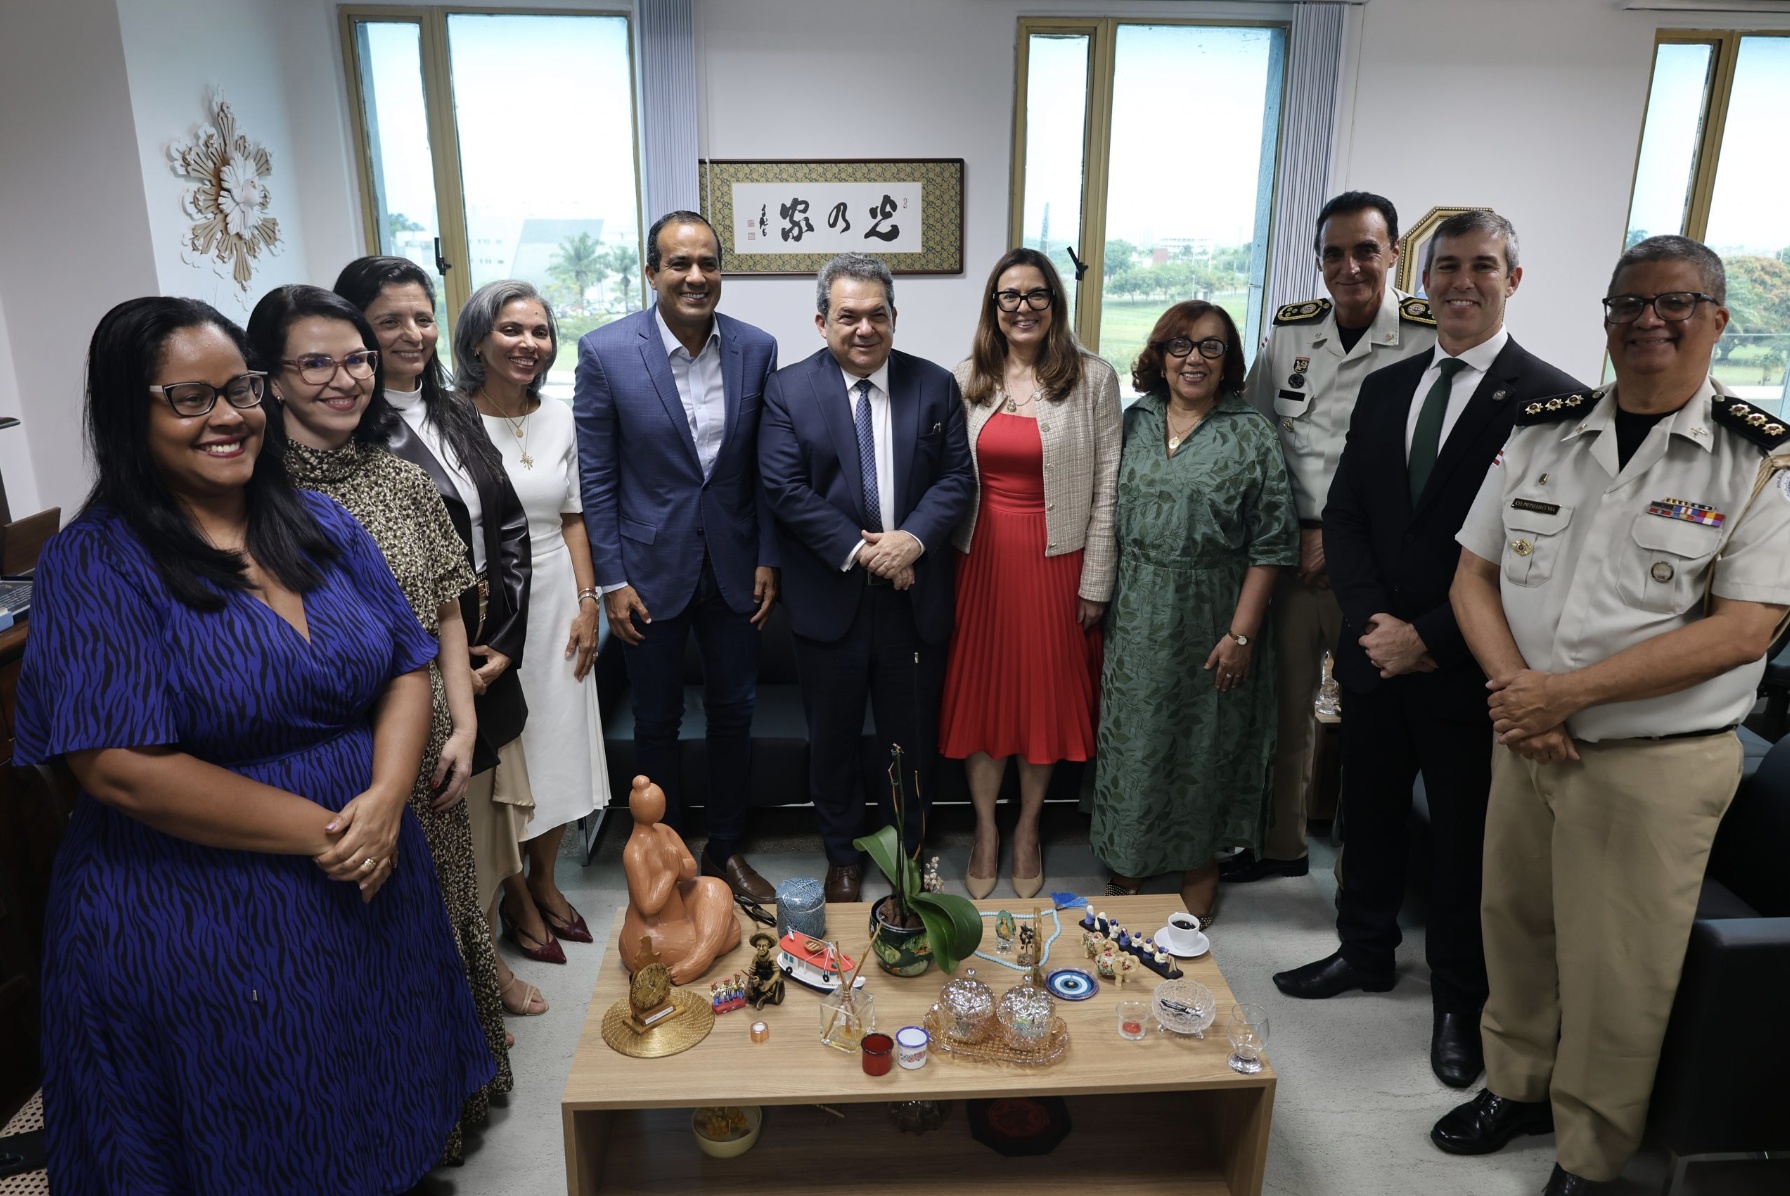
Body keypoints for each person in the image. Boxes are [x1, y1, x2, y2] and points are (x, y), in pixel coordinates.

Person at [18, 297, 493, 1192]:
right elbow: (119, 767)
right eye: (189, 398)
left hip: (369, 878)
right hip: (205, 909)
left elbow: (405, 662)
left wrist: (387, 801)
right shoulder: (97, 561)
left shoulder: (319, 522)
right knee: (257, 1127)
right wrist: (336, 834)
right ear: (128, 412)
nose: (228, 416)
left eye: (239, 389)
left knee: (375, 1091)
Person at [1434, 235, 1790, 1196]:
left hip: (1652, 759)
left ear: (1717, 320)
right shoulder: (1545, 432)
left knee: (1618, 969)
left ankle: (1589, 1153)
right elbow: (1472, 575)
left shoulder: (1757, 458)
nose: (1648, 321)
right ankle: (1518, 1086)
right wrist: (1522, 694)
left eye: (1675, 303)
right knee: (1515, 927)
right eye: (1628, 303)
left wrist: (1568, 694)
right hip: (1528, 737)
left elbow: (1745, 629)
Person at [1270, 212, 1588, 1092]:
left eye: (1482, 266)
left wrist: (1430, 638)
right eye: (1447, 266)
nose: (1461, 282)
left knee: (1463, 841)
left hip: (1468, 667)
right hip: (1377, 654)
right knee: (1367, 814)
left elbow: (1536, 555)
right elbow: (1347, 517)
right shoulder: (1389, 387)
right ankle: (1364, 951)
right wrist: (1377, 626)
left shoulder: (1552, 402)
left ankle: (1458, 1000)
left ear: (1512, 280)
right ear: (1424, 276)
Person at [247, 284, 512, 1158]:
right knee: (356, 938)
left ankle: (451, 1100)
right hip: (323, 756)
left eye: (355, 360)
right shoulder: (250, 489)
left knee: (442, 914)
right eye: (315, 364)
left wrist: (463, 727)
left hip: (426, 740)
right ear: (270, 379)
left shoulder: (400, 479)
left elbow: (447, 613)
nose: (345, 379)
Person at [332, 259, 560, 989]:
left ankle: (490, 952)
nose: (412, 333)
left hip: (488, 634)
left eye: (422, 317)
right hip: (420, 649)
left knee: (491, 813)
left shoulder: (455, 409)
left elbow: (510, 524)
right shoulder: (352, 430)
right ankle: (476, 970)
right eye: (389, 320)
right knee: (445, 815)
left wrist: (508, 642)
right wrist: (449, 658)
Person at [1229, 191, 1437, 883]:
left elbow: (1424, 469)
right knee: (1283, 711)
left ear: (1394, 253)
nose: (1350, 267)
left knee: (1370, 724)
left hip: (1376, 568)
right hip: (1293, 556)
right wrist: (1289, 533)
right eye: (1334, 253)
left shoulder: (1428, 335)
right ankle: (1280, 846)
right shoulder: (1292, 332)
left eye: (1366, 251)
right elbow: (1258, 437)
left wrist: (1339, 542)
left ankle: (1359, 868)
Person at [574, 210, 781, 903]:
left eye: (708, 263)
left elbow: (764, 466)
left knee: (735, 713)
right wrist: (611, 580)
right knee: (656, 721)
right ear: (651, 272)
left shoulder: (757, 348)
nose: (696, 276)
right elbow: (597, 477)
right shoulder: (605, 352)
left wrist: (768, 555)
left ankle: (725, 848)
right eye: (679, 264)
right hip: (646, 571)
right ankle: (664, 852)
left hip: (735, 565)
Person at [759, 252, 975, 902]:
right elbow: (785, 488)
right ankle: (844, 852)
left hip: (915, 600)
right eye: (848, 316)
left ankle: (905, 847)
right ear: (822, 322)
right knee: (833, 738)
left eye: (877, 314)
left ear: (894, 318)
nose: (864, 328)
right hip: (830, 597)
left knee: (910, 738)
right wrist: (869, 552)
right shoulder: (788, 390)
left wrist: (911, 541)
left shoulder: (934, 385)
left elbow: (956, 479)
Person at [1091, 301, 1297, 924]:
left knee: (1205, 744)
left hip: (1215, 611)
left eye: (1211, 346)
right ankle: (1128, 859)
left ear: (1228, 360)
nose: (1194, 359)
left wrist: (1242, 635)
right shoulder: (1133, 420)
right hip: (1136, 611)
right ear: (1159, 355)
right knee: (1135, 741)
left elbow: (1272, 545)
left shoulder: (1251, 433)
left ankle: (1199, 864)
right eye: (1180, 345)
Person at [939, 247, 1120, 898]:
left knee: (1041, 702)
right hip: (979, 561)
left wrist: (1096, 579)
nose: (1023, 307)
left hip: (1058, 560)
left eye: (1036, 294)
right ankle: (986, 829)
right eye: (1009, 296)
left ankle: (1027, 828)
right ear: (994, 306)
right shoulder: (966, 377)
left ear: (1054, 303)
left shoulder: (1093, 378)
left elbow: (1108, 486)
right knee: (985, 702)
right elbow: (945, 478)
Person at [456, 279, 611, 956]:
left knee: (559, 750)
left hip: (559, 603)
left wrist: (589, 603)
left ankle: (546, 879)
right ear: (477, 341)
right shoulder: (449, 420)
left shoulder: (560, 416)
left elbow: (574, 517)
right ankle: (517, 897)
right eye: (511, 330)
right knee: (508, 752)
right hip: (489, 604)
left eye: (540, 332)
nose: (529, 343)